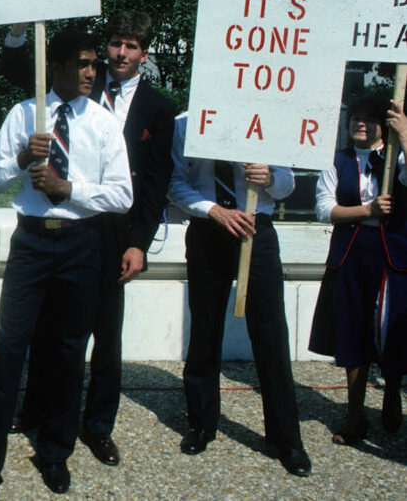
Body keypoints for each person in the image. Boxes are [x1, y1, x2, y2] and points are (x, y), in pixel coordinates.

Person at [1, 13, 175, 466]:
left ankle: (97, 426)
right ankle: (37, 408)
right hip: (71, 230)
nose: (120, 54)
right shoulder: (81, 88)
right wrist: (19, 32)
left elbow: (153, 184)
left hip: (117, 232)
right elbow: (25, 71)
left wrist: (139, 242)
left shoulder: (158, 108)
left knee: (106, 335)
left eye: (132, 46)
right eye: (116, 43)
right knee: (52, 329)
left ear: (144, 53)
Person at [0, 28, 132, 500]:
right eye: (81, 64)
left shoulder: (102, 124)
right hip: (32, 243)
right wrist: (24, 156)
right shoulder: (25, 115)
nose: (90, 73)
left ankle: (55, 453)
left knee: (67, 353)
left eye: (93, 66)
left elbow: (123, 195)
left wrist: (70, 190)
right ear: (56, 65)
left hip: (81, 243)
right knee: (9, 349)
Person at [168, 114, 311, 476]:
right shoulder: (185, 123)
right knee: (204, 328)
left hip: (255, 230)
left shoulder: (263, 119)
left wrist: (270, 178)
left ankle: (286, 438)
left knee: (270, 333)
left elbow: (287, 185)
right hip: (208, 229)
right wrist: (213, 210)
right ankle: (201, 422)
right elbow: (175, 182)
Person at [308, 95, 407, 444]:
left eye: (369, 118)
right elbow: (324, 209)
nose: (359, 123)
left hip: (392, 256)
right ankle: (355, 414)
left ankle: (392, 392)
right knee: (351, 332)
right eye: (354, 117)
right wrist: (367, 211)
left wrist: (405, 136)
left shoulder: (397, 157)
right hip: (350, 255)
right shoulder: (337, 161)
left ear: (384, 125)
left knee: (390, 331)